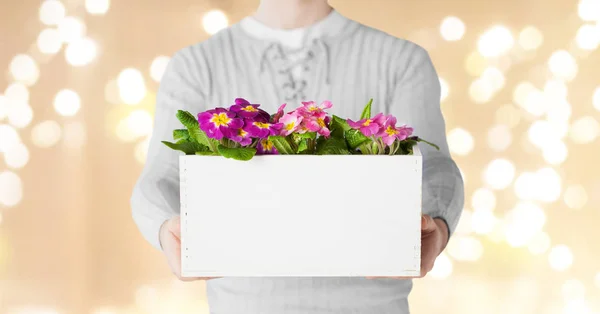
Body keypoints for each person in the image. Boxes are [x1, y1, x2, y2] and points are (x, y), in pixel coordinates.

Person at [130, 0, 464, 312]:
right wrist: (166, 227)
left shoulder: (400, 60)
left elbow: (434, 169)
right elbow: (161, 177)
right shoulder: (195, 65)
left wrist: (437, 226)